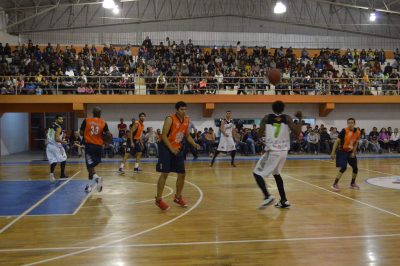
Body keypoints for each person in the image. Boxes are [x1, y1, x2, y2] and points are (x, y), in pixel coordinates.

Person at [253, 101, 302, 209]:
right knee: (276, 174)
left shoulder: (266, 118)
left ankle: (267, 196)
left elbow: (259, 133)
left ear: (272, 108)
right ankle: (283, 200)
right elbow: (298, 133)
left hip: (273, 151)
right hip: (284, 152)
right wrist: (299, 119)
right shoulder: (287, 118)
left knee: (256, 173)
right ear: (283, 109)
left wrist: (263, 133)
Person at [155, 101, 200, 210]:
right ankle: (158, 200)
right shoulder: (170, 119)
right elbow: (164, 136)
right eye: (181, 109)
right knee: (164, 173)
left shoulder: (187, 120)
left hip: (177, 149)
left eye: (185, 109)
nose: (184, 111)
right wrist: (171, 149)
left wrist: (194, 144)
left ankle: (178, 197)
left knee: (182, 174)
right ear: (176, 110)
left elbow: (187, 135)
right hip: (166, 148)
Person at [80, 107, 111, 193]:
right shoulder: (103, 122)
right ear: (100, 113)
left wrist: (88, 133)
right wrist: (106, 143)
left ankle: (97, 179)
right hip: (99, 147)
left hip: (89, 146)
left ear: (92, 112)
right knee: (91, 167)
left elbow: (81, 133)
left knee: (89, 167)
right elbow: (109, 134)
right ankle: (89, 185)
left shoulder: (87, 120)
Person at [330, 118, 361, 192]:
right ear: (347, 124)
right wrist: (333, 152)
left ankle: (352, 183)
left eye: (352, 122)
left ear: (354, 123)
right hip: (342, 151)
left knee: (355, 168)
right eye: (349, 123)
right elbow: (337, 142)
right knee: (343, 168)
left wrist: (353, 152)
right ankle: (335, 184)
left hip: (350, 151)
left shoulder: (358, 132)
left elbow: (356, 143)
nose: (350, 124)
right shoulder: (344, 131)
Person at [46, 115, 68, 182]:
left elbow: (50, 134)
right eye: (60, 119)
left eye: (62, 119)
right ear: (56, 120)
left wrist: (61, 135)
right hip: (56, 146)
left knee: (53, 161)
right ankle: (62, 175)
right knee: (64, 158)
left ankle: (51, 174)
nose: (62, 120)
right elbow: (56, 139)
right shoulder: (58, 127)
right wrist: (63, 141)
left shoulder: (51, 125)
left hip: (49, 146)